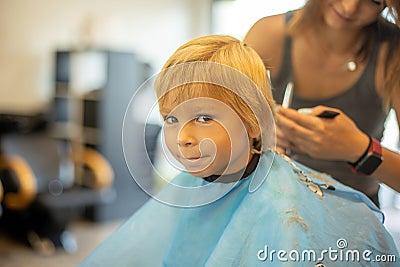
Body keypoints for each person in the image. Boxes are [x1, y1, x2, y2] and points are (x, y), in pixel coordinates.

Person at [78, 35, 398, 267]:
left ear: (255, 120)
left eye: (204, 117)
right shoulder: (190, 188)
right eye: (172, 119)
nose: (183, 137)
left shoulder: (282, 214)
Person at [244, 0, 400, 206]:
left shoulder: (393, 55)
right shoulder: (268, 35)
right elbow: (217, 130)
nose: (349, 7)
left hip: (353, 214)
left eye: (373, 0)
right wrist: (257, 140)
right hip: (272, 203)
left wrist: (361, 150)